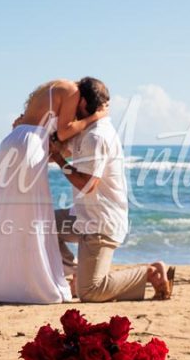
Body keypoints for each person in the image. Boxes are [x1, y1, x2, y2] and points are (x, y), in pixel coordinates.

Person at [0, 80, 107, 303]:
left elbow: (56, 136)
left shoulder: (52, 90)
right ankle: (35, 284)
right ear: (83, 99)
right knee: (33, 215)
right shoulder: (72, 91)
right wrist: (95, 118)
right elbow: (65, 132)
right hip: (29, 144)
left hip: (13, 141)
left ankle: (4, 284)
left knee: (12, 215)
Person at [50, 77, 174, 301]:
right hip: (84, 217)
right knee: (42, 224)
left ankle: (148, 273)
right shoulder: (88, 131)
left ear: (84, 103)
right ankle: (77, 273)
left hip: (100, 224)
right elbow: (62, 149)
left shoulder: (97, 136)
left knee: (90, 292)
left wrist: (59, 160)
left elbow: (87, 185)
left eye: (74, 102)